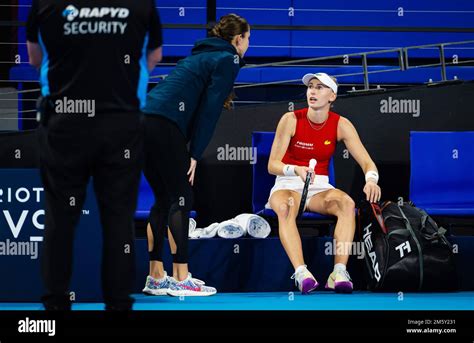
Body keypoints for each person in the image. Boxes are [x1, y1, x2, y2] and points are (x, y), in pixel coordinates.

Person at [26, 0, 163, 310]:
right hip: (121, 124)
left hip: (64, 123)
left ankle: (55, 308)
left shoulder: (45, 4)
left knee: (60, 220)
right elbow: (154, 55)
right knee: (118, 221)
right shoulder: (140, 5)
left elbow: (34, 58)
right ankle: (117, 306)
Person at [141, 14, 250, 297]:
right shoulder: (229, 59)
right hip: (164, 124)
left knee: (164, 198)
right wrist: (195, 153)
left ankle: (156, 276)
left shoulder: (201, 55)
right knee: (181, 197)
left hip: (141, 121)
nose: (248, 45)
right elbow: (210, 110)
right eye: (248, 39)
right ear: (238, 39)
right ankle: (181, 276)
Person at [266, 73, 381, 294]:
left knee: (346, 204)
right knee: (286, 205)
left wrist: (371, 180)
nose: (313, 91)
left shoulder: (342, 125)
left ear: (332, 96)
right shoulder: (290, 120)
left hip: (319, 187)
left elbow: (368, 163)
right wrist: (295, 169)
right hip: (288, 183)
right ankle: (301, 273)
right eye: (310, 87)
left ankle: (338, 272)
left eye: (320, 87)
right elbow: (272, 165)